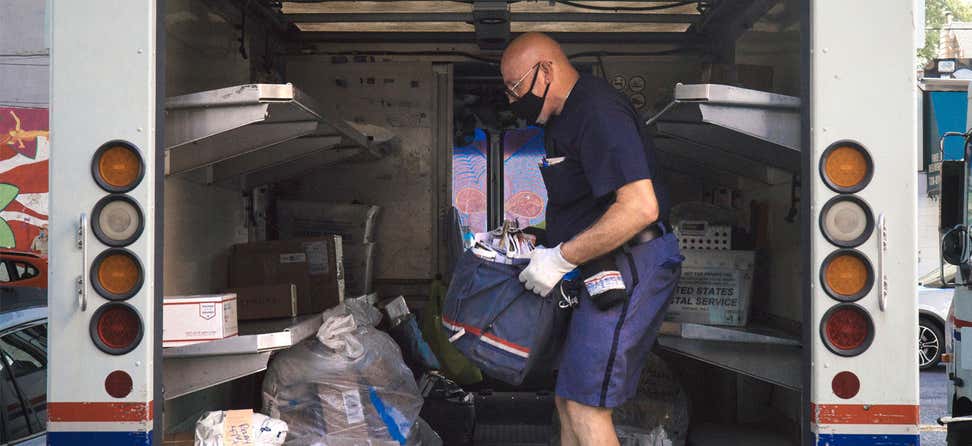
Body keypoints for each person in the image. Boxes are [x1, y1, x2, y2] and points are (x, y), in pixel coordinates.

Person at [501, 33, 683, 445]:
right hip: (600, 264)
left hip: (631, 263)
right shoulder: (560, 121)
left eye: (515, 89)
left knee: (586, 406)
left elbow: (640, 208)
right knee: (568, 399)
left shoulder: (597, 110)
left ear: (546, 70)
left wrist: (560, 258)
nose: (514, 103)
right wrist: (543, 241)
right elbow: (588, 207)